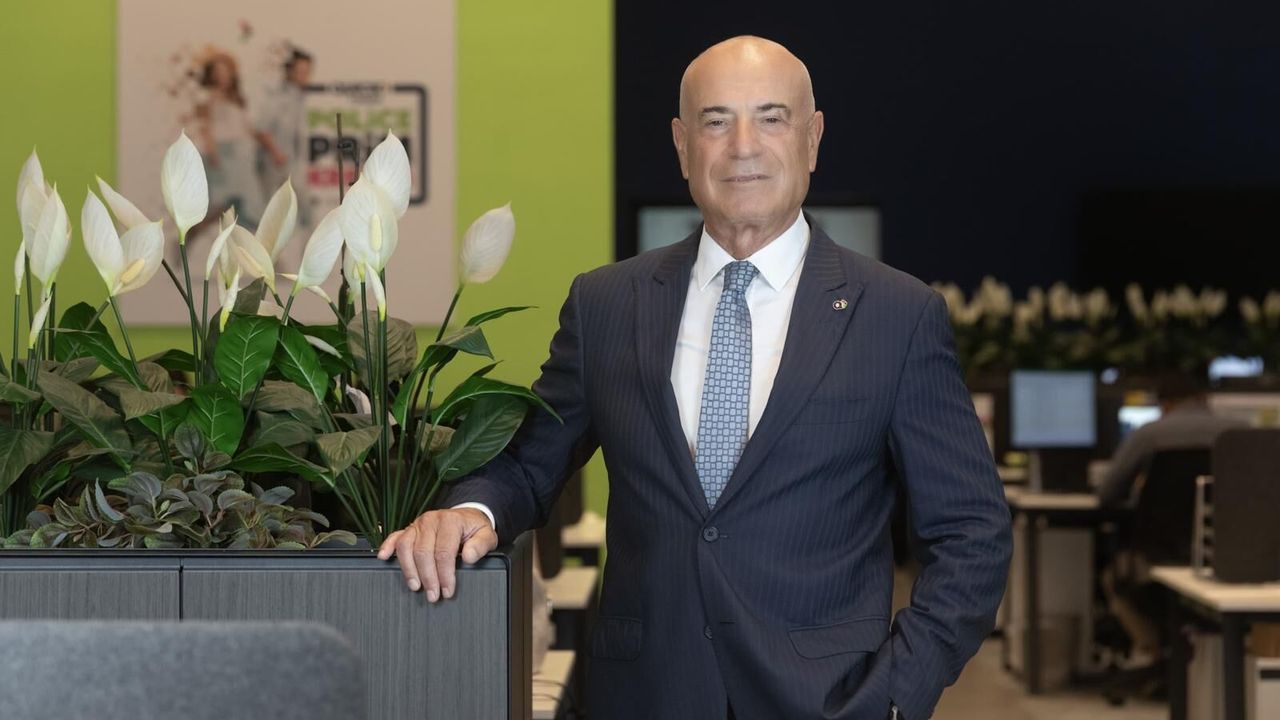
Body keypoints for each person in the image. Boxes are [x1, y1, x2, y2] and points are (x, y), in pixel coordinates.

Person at [379, 36, 1012, 720]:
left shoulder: (897, 314)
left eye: (771, 118)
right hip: (644, 695)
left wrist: (895, 694)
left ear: (812, 139)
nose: (743, 146)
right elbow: (529, 465)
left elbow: (972, 534)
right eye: (716, 121)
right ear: (683, 146)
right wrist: (466, 513)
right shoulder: (606, 304)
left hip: (830, 701)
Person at [1095, 372, 1244, 668]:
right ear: (1204, 400)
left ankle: (1153, 652)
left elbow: (1108, 493)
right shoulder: (1239, 433)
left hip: (1157, 553)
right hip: (1224, 556)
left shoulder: (1149, 435)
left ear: (1164, 405)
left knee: (1113, 579)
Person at [254, 47, 314, 233]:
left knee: (303, 207)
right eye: (301, 71)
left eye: (307, 72)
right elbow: (261, 129)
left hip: (290, 161)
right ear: (289, 71)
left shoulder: (299, 97)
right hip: (273, 161)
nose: (305, 76)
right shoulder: (277, 97)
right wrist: (276, 153)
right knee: (265, 209)